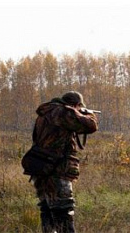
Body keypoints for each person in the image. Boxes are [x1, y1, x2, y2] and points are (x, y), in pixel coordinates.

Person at [29, 91, 98, 233]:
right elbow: (91, 126)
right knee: (63, 210)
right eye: (79, 107)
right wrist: (87, 114)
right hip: (58, 168)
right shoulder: (64, 112)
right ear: (76, 105)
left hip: (41, 167)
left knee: (47, 209)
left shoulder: (45, 112)